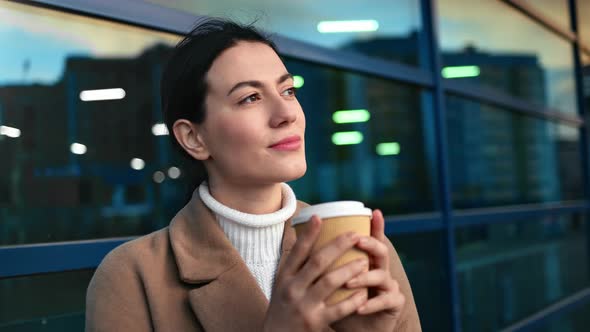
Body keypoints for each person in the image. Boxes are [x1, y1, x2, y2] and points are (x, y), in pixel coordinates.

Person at [85, 18, 421, 332]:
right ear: (194, 138)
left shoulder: (357, 245)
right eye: (250, 98)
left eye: (288, 90)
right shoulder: (131, 276)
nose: (286, 113)